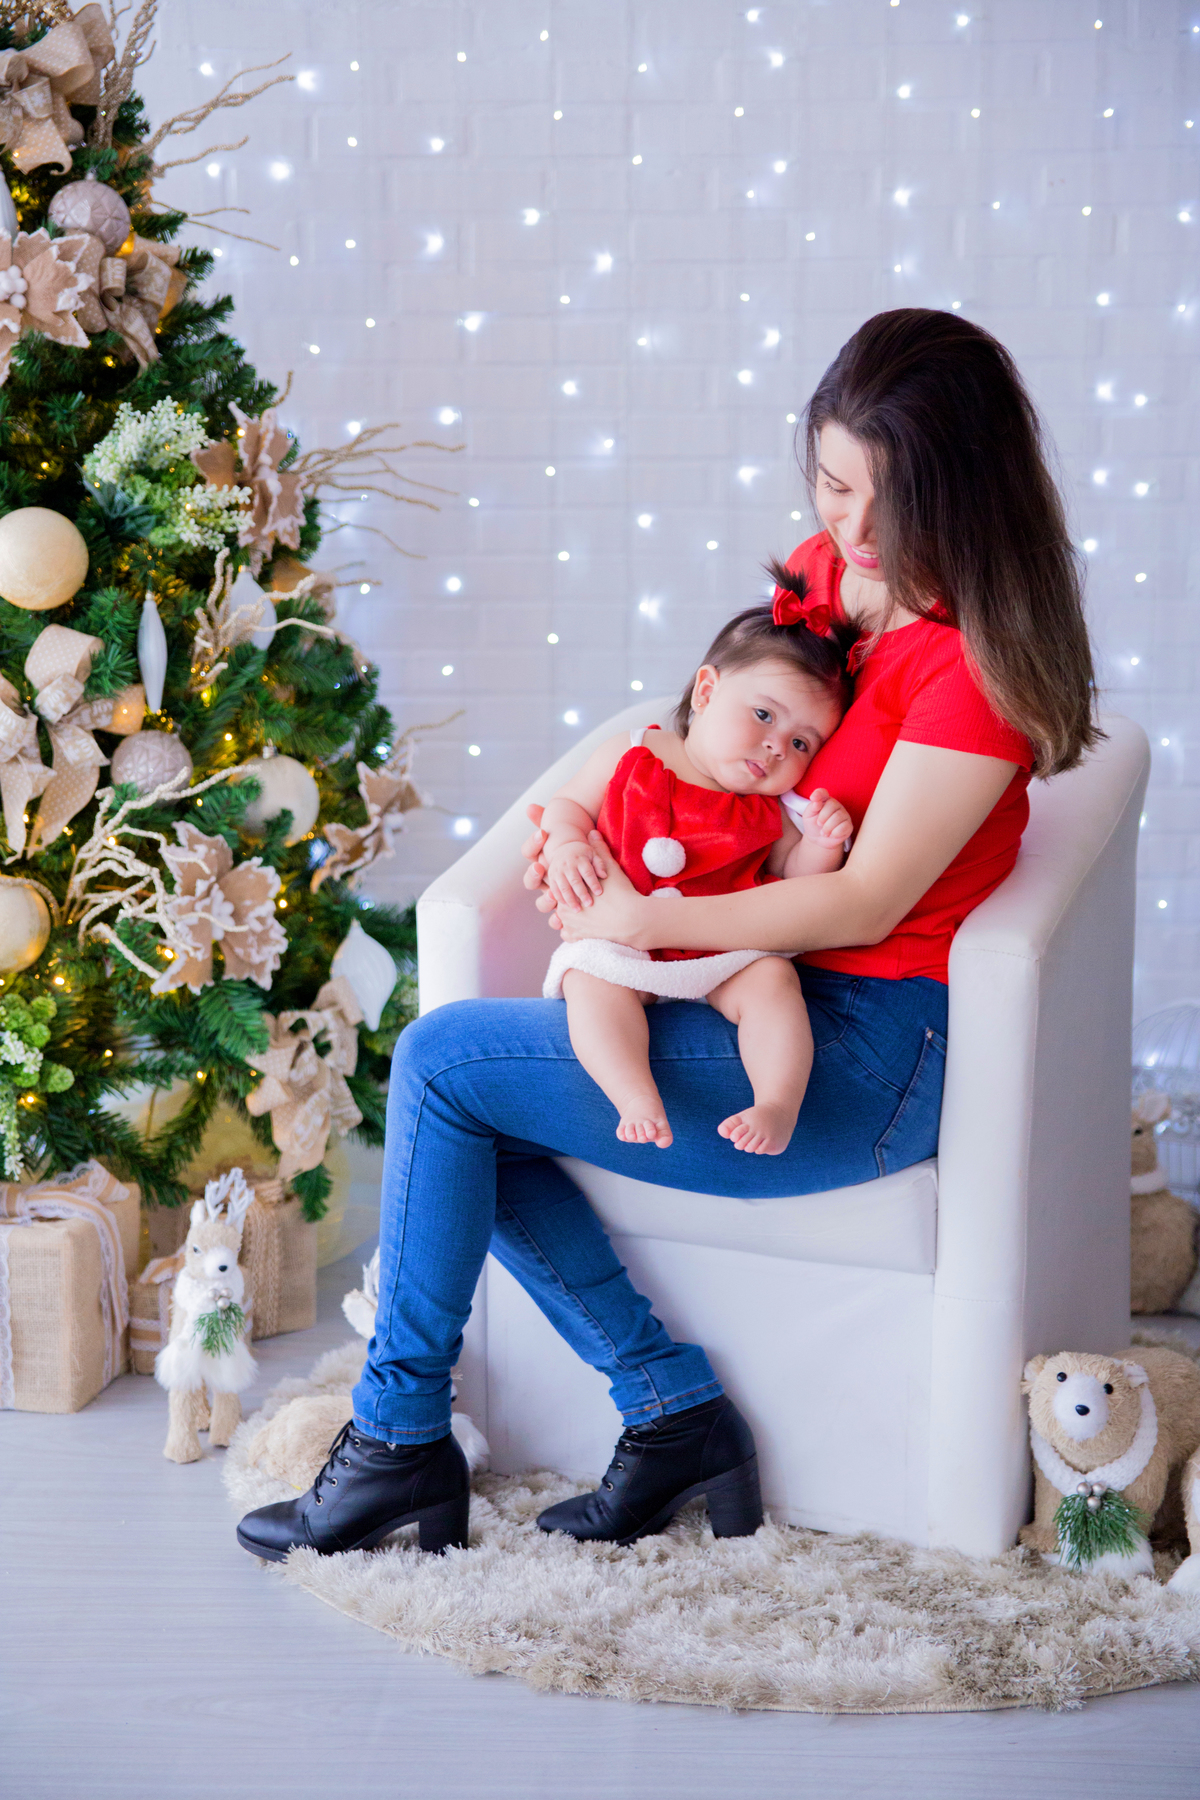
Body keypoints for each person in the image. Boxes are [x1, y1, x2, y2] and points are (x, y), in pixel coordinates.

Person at [236, 309, 1099, 1565]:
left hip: (861, 1055)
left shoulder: (969, 673)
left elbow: (862, 905)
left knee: (441, 1069)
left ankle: (397, 1444)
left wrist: (654, 919)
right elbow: (697, 713)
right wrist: (575, 818)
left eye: (886, 505)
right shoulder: (841, 581)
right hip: (748, 986)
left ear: (960, 495)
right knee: (474, 1108)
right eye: (832, 484)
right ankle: (668, 1413)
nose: (851, 535)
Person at [540, 580, 855, 1156]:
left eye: (803, 743)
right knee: (589, 983)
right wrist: (564, 845)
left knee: (774, 983)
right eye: (763, 714)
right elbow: (566, 805)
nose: (775, 748)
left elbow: (796, 882)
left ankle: (776, 1103)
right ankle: (634, 1096)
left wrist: (823, 842)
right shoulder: (634, 751)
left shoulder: (771, 810)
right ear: (706, 691)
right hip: (621, 946)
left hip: (720, 955)